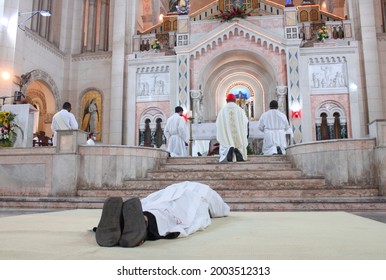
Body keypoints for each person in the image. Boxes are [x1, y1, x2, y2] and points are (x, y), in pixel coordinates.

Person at [94, 181, 230, 247]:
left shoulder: (177, 185)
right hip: (192, 199)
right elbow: (220, 209)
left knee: (156, 206)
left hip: (163, 195)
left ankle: (123, 220)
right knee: (174, 216)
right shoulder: (205, 190)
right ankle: (144, 221)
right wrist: (226, 210)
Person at [216, 93, 249, 163]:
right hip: (238, 136)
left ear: (226, 100)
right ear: (235, 100)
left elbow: (218, 124)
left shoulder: (222, 111)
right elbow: (245, 122)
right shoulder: (240, 110)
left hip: (227, 135)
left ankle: (228, 149)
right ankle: (238, 151)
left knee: (225, 141)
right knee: (239, 141)